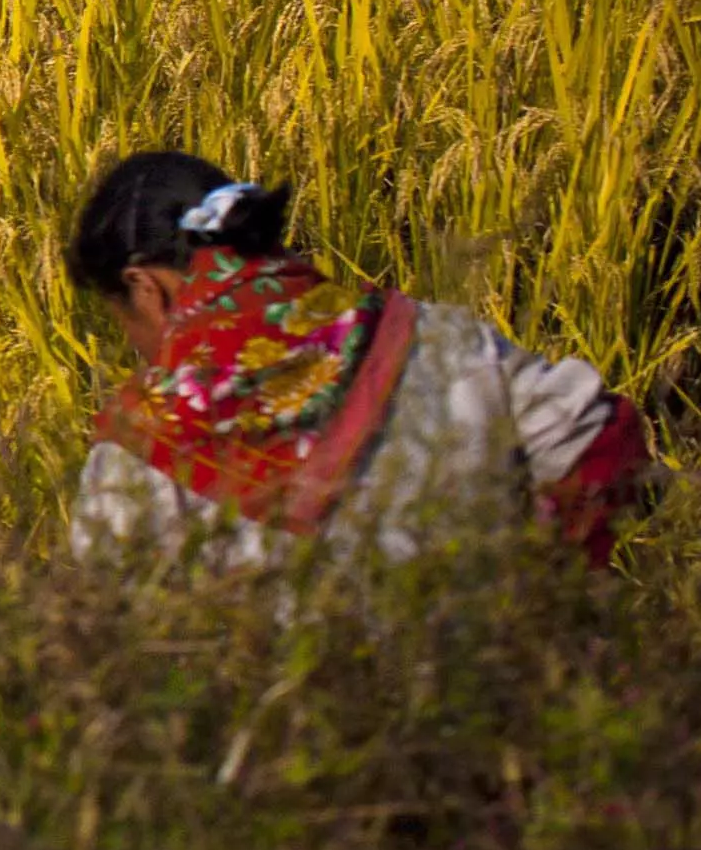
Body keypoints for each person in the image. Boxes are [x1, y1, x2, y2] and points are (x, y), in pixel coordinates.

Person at [68, 151, 656, 572]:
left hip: (284, 738)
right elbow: (600, 446)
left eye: (126, 324)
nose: (141, 352)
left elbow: (108, 639)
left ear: (145, 287)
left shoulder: (148, 441)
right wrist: (539, 607)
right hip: (486, 711)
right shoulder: (444, 342)